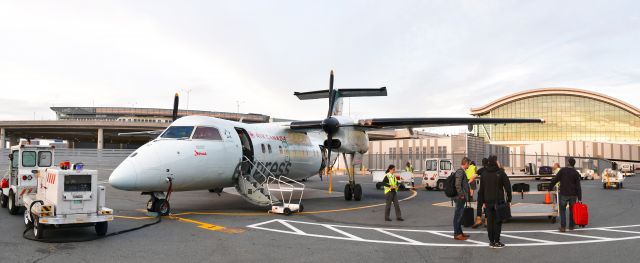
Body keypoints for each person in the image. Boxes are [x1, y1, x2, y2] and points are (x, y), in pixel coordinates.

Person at [478, 155, 512, 249]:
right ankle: (497, 241)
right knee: (498, 221)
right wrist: (509, 199)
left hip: (487, 201)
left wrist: (482, 202)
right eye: (497, 160)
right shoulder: (500, 172)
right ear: (495, 162)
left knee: (490, 221)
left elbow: (481, 190)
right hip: (498, 201)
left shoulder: (484, 173)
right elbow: (508, 187)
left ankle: (491, 241)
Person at [549, 158, 582, 232]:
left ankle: (563, 227)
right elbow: (578, 187)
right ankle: (571, 226)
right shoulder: (576, 173)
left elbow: (555, 179)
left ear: (568, 163)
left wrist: (550, 187)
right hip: (573, 195)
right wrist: (580, 198)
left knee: (562, 210)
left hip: (564, 193)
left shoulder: (563, 170)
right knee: (572, 210)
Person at [453, 157, 471, 241]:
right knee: (458, 215)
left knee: (459, 215)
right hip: (459, 197)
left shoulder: (462, 171)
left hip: (461, 196)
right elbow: (457, 184)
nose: (469, 165)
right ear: (466, 163)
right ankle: (457, 234)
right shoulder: (460, 171)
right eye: (469, 164)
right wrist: (461, 195)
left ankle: (460, 233)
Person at [472, 158, 489, 228]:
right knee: (487, 205)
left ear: (482, 163)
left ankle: (478, 219)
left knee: (479, 205)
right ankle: (486, 220)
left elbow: (474, 176)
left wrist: (469, 181)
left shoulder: (481, 170)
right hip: (488, 191)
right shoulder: (490, 170)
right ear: (488, 163)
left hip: (481, 191)